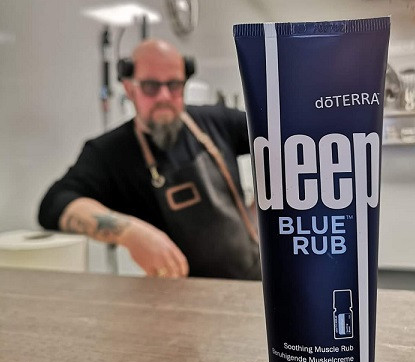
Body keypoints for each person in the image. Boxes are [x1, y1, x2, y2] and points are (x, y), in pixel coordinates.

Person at [38, 39, 261, 280]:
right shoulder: (109, 153)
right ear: (129, 89)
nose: (164, 96)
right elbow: (54, 204)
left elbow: (279, 139)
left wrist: (262, 208)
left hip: (251, 278)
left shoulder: (216, 122)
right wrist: (130, 233)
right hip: (177, 292)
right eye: (150, 86)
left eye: (174, 85)